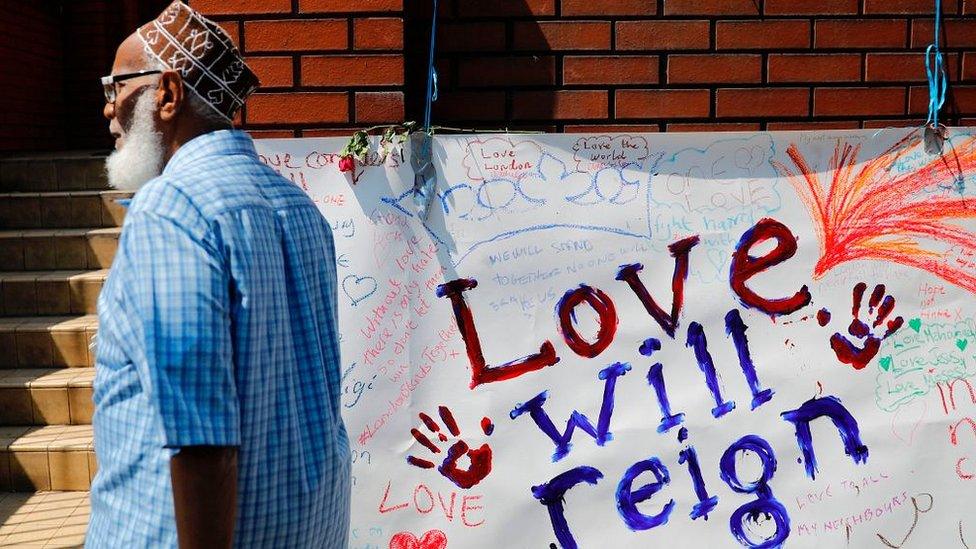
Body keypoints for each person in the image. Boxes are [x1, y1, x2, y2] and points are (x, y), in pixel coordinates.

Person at [88, 2, 350, 547]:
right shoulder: (300, 208)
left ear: (167, 93)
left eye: (116, 87)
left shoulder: (172, 208)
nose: (109, 110)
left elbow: (201, 444)